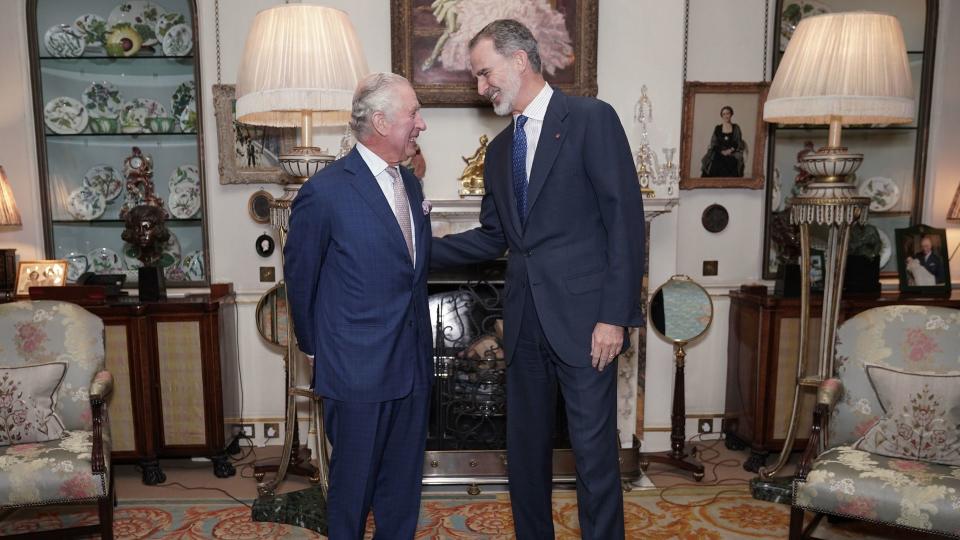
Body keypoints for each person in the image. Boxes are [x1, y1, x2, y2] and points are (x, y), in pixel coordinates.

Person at [430, 20, 644, 540]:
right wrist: (417, 253)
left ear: (520, 60)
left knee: (594, 458)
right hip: (522, 324)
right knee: (524, 458)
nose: (481, 88)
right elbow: (492, 237)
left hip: (586, 322)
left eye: (485, 74)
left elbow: (625, 223)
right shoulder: (501, 151)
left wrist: (613, 316)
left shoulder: (592, 119)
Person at [284, 72, 432, 539]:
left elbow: (409, 267)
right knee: (352, 493)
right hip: (356, 370)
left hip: (413, 366)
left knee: (402, 490)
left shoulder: (410, 185)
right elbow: (300, 278)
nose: (422, 124)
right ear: (383, 121)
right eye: (414, 113)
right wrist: (313, 348)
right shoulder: (325, 191)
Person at [700, 105, 745, 177]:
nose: (726, 116)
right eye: (724, 114)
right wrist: (721, 151)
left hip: (732, 153)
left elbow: (738, 142)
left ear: (731, 114)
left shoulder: (736, 127)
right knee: (715, 163)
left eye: (728, 113)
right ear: (721, 116)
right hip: (719, 152)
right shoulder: (718, 128)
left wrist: (730, 150)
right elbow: (714, 143)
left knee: (732, 162)